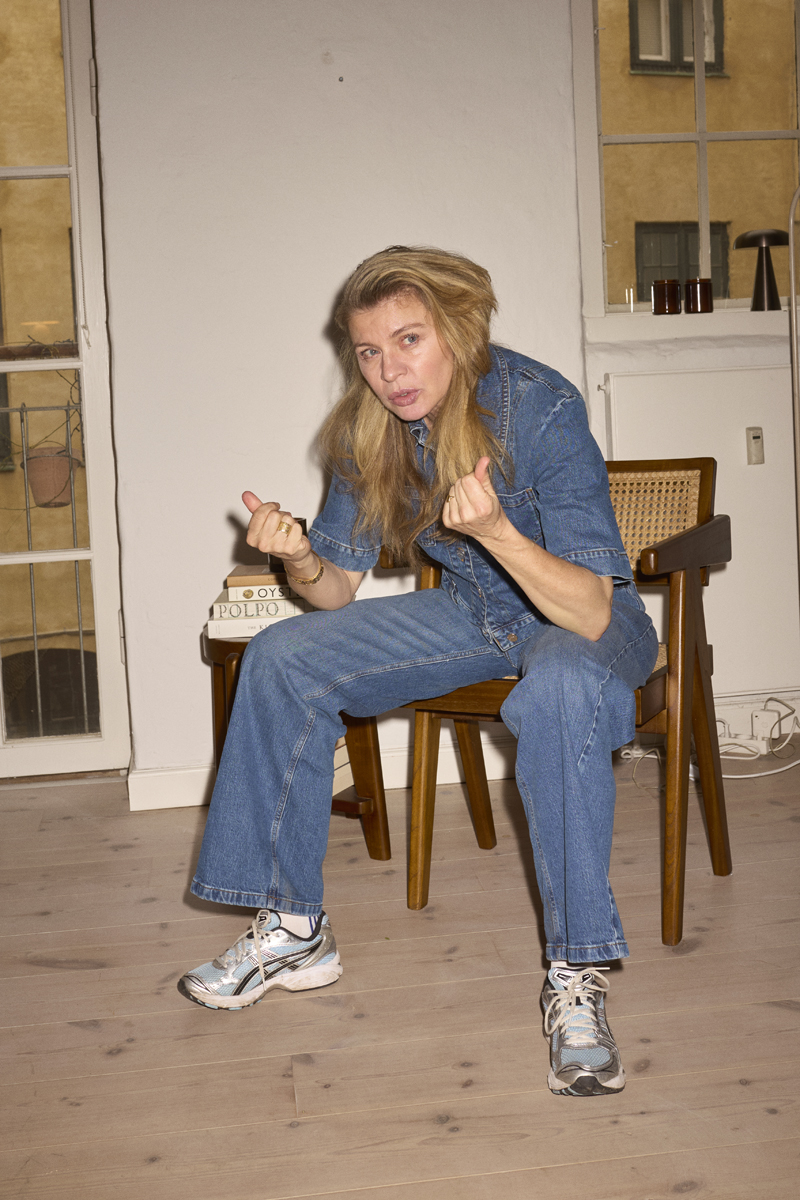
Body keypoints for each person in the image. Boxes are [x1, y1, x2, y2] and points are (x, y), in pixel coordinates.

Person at [179, 246, 658, 1098]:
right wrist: (296, 557)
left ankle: (575, 975)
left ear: (459, 332)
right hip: (477, 615)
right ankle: (295, 928)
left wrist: (499, 533)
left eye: (408, 340)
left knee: (559, 685)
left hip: (586, 622)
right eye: (369, 351)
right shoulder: (368, 431)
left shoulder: (540, 406)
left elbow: (590, 611)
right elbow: (333, 589)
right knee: (283, 656)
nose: (388, 371)